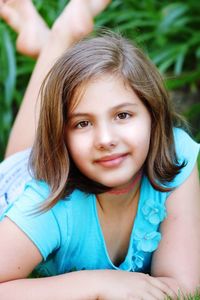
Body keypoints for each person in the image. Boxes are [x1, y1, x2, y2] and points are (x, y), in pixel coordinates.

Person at [0, 1, 200, 299]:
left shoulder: (174, 153)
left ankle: (53, 43)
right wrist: (95, 284)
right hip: (19, 186)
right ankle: (59, 37)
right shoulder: (46, 205)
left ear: (154, 116)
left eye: (123, 115)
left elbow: (182, 286)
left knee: (71, 103)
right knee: (20, 161)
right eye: (82, 124)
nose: (105, 139)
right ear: (61, 138)